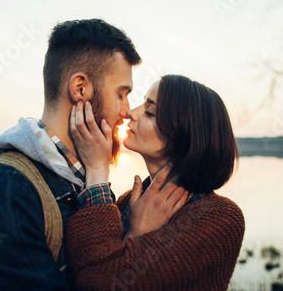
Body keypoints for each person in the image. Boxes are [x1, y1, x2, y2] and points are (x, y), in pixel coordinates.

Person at [0, 19, 141, 290]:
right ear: (80, 89)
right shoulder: (1, 194)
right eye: (121, 94)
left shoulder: (85, 183)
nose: (127, 111)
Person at [66, 74, 245, 291]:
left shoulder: (220, 218)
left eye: (150, 111)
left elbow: (102, 283)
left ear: (186, 136)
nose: (131, 113)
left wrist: (97, 171)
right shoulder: (128, 202)